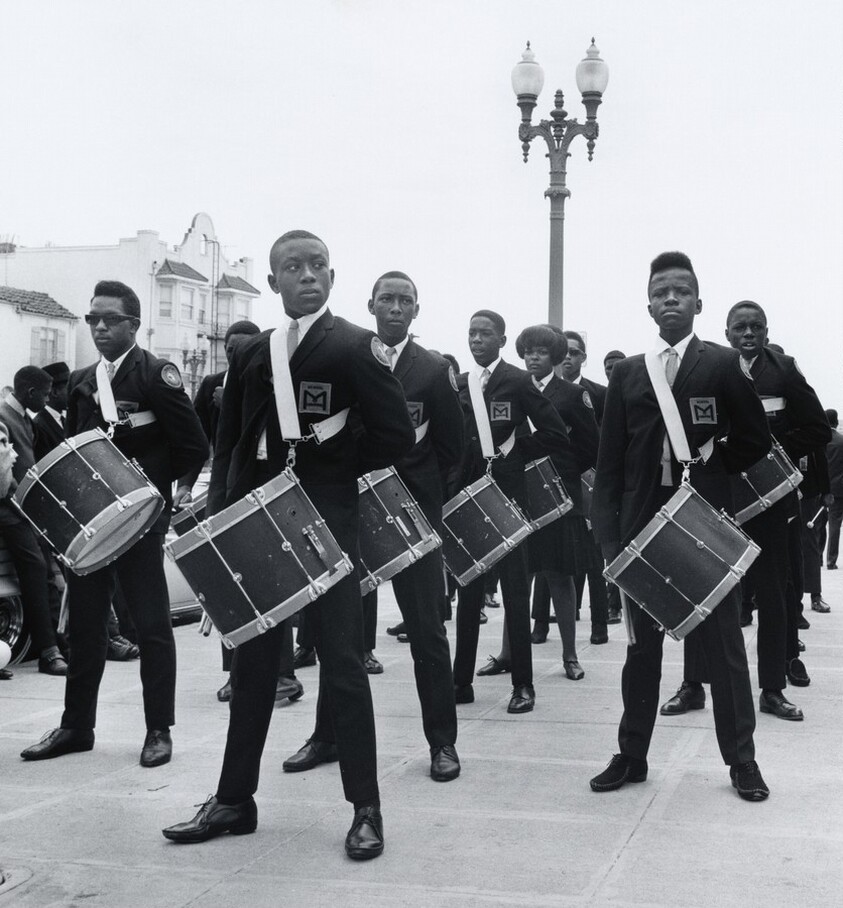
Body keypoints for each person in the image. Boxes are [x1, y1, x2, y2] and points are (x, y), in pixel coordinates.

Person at [162, 230, 414, 860]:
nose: (307, 276)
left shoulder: (358, 347)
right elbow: (231, 449)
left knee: (344, 667)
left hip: (326, 527)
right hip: (259, 530)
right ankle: (233, 801)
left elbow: (396, 438)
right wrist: (222, 530)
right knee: (252, 672)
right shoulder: (253, 356)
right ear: (273, 282)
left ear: (333, 275)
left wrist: (335, 461)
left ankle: (366, 809)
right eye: (293, 268)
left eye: (318, 266)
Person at [589, 251, 772, 802]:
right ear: (648, 304)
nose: (671, 298)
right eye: (661, 291)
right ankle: (632, 754)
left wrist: (714, 472)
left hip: (701, 528)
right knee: (641, 651)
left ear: (699, 303)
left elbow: (756, 439)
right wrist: (609, 540)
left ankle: (742, 761)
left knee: (724, 649)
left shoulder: (720, 365)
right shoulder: (626, 374)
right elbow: (611, 463)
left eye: (682, 291)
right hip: (643, 530)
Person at [21, 280, 209, 766]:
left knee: (150, 627)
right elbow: (73, 455)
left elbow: (193, 446)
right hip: (92, 525)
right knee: (86, 629)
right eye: (92, 320)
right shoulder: (83, 380)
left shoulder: (155, 376)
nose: (100, 328)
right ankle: (76, 727)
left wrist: (160, 495)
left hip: (141, 523)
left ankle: (158, 730)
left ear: (133, 324)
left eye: (110, 320)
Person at [286, 270, 464, 782]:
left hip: (411, 519)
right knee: (336, 634)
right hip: (346, 513)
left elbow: (452, 451)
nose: (395, 308)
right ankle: (327, 736)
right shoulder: (343, 355)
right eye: (386, 299)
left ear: (416, 310)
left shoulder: (432, 370)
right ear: (369, 304)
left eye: (405, 300)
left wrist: (425, 505)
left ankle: (443, 744)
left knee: (427, 632)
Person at [661, 301, 829, 721]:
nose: (748, 333)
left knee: (773, 592)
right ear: (728, 332)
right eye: (740, 328)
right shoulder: (712, 365)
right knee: (703, 588)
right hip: (719, 494)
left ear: (767, 332)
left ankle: (772, 689)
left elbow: (816, 428)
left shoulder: (784, 369)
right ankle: (693, 685)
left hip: (772, 502)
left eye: (756, 327)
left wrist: (772, 451)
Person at [451, 310, 568, 714]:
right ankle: (460, 682)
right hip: (470, 497)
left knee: (515, 594)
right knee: (467, 593)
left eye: (485, 334)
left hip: (507, 499)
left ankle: (523, 685)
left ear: (502, 341)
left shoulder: (517, 381)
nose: (477, 340)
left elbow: (555, 433)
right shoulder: (462, 384)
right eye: (472, 333)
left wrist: (515, 457)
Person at [514, 325, 599, 678]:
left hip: (559, 496)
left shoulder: (572, 394)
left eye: (541, 352)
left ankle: (569, 655)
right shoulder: (512, 388)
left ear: (556, 357)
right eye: (528, 351)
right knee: (518, 577)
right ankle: (509, 653)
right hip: (519, 493)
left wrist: (562, 476)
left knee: (560, 576)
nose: (533, 357)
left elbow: (591, 447)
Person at [0, 366, 67, 675]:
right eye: (44, 392)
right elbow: (6, 475)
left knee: (51, 567)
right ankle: (48, 650)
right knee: (35, 567)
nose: (48, 397)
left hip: (24, 509)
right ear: (29, 392)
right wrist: (25, 508)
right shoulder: (3, 417)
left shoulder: (25, 418)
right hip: (10, 510)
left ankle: (58, 641)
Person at [561, 330, 616, 638]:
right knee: (550, 561)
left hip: (589, 480)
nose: (568, 357)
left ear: (584, 357)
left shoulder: (597, 393)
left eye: (574, 352)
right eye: (564, 351)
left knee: (594, 557)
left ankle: (599, 623)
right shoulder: (540, 391)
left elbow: (606, 439)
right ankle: (541, 621)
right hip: (554, 481)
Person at [825, 409, 843, 570]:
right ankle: (831, 560)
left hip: (819, 487)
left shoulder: (819, 441)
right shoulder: (841, 441)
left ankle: (816, 558)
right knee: (834, 525)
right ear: (836, 422)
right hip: (838, 490)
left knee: (816, 525)